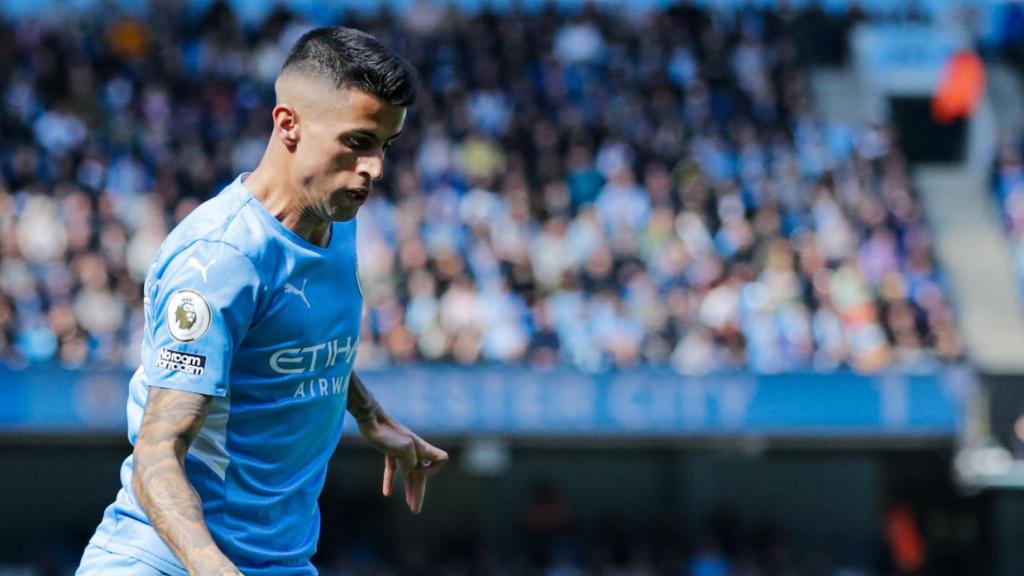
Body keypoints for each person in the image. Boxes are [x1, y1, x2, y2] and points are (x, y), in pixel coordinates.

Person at [77, 27, 448, 576]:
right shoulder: (219, 261)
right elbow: (157, 451)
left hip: (280, 562)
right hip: (168, 562)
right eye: (357, 142)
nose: (375, 168)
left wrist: (370, 416)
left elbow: (296, 339)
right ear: (288, 124)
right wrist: (213, 568)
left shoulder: (334, 222)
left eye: (385, 146)